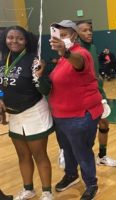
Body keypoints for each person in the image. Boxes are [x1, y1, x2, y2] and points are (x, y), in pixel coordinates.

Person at [36, 20, 103, 200]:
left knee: (82, 151)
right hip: (61, 116)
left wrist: (64, 52)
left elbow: (79, 63)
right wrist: (41, 75)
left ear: (74, 36)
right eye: (57, 36)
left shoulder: (80, 54)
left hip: (80, 115)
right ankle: (71, 174)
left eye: (64, 35)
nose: (60, 38)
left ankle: (91, 183)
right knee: (67, 149)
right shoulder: (60, 61)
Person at [0, 26, 54, 200]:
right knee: (22, 155)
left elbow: (46, 90)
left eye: (19, 38)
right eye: (10, 37)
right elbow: (2, 86)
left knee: (39, 154)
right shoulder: (3, 60)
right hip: (14, 115)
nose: (14, 41)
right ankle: (28, 189)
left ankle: (47, 192)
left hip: (33, 112)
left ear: (26, 41)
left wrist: (39, 77)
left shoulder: (34, 60)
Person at [76, 21, 116, 167]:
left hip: (98, 91)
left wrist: (99, 78)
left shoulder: (92, 47)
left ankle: (102, 156)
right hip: (84, 95)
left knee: (104, 123)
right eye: (84, 30)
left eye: (90, 30)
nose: (89, 33)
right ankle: (77, 158)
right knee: (85, 128)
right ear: (76, 33)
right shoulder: (75, 50)